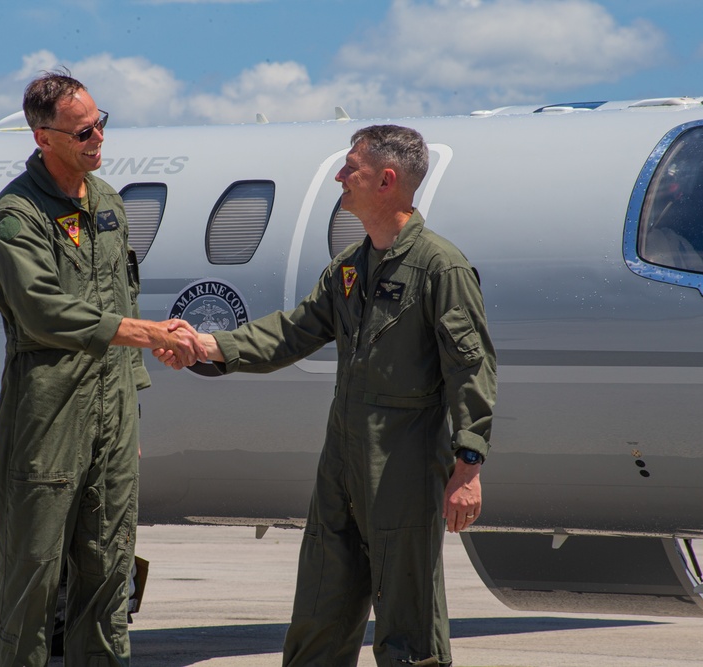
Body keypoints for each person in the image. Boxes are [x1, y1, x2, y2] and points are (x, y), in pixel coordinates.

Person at [157, 125, 496, 667]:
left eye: (351, 168)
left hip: (403, 469)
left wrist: (469, 465)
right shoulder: (348, 271)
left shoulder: (440, 268)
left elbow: (470, 368)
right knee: (319, 616)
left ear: (386, 180)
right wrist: (208, 346)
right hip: (341, 468)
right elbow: (291, 332)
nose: (340, 176)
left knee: (410, 633)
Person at [0, 70, 206, 667]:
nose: (97, 137)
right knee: (33, 575)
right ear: (43, 136)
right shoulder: (15, 216)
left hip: (111, 410)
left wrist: (130, 398)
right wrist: (149, 335)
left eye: (100, 123)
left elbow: (119, 299)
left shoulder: (107, 202)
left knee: (109, 569)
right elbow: (44, 311)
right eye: (82, 131)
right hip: (49, 413)